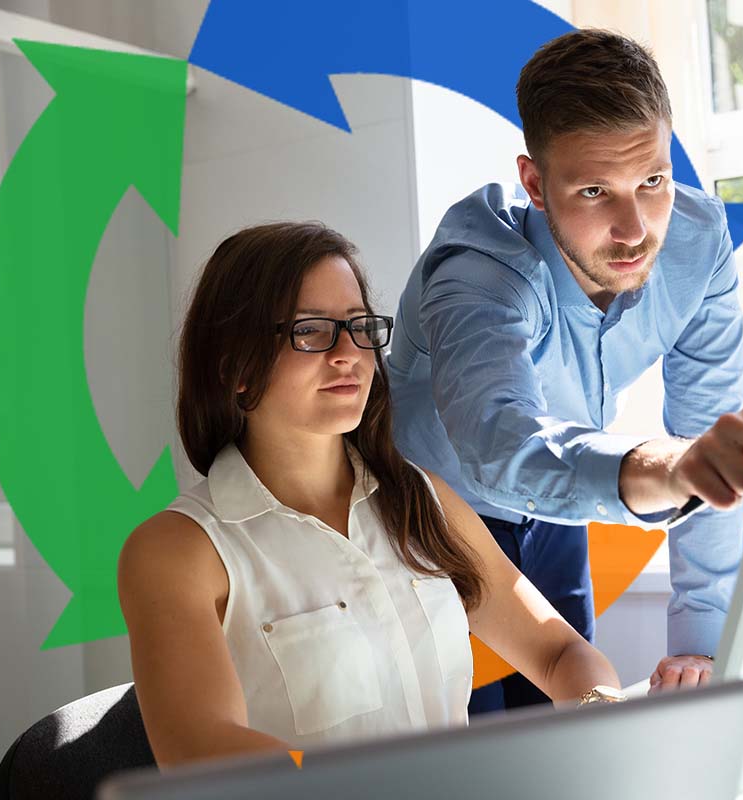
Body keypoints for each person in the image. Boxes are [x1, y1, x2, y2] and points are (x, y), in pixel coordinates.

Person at [117, 222, 621, 768]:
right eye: (311, 331)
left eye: (359, 327)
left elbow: (560, 651)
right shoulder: (177, 551)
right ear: (235, 368)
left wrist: (599, 716)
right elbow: (198, 749)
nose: (348, 353)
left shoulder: (421, 499)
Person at [387, 29, 743, 715]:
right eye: (596, 190)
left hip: (562, 503)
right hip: (426, 522)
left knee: (570, 738)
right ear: (535, 184)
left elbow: (710, 433)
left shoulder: (698, 243)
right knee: (464, 758)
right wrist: (670, 469)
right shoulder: (478, 273)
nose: (635, 228)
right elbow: (500, 441)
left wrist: (703, 639)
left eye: (652, 180)